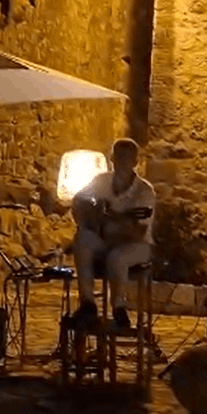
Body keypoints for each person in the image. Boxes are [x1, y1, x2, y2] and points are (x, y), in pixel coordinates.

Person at [71, 138, 156, 331]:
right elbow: (78, 201)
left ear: (135, 162)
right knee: (83, 239)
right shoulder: (101, 181)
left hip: (136, 245)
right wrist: (90, 218)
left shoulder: (144, 191)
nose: (122, 162)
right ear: (111, 159)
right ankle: (88, 304)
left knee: (117, 257)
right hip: (106, 239)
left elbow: (138, 232)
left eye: (127, 158)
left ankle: (119, 308)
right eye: (119, 157)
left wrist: (114, 223)